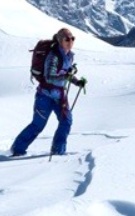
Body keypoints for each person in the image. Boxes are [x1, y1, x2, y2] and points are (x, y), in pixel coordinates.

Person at [11, 28, 87, 157]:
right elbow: (49, 76)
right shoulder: (53, 56)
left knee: (66, 122)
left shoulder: (69, 55)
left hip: (60, 97)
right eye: (67, 39)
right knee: (38, 125)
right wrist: (66, 76)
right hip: (45, 96)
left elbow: (66, 72)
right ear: (59, 40)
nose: (70, 41)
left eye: (72, 38)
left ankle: (58, 152)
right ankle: (17, 150)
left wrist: (77, 82)